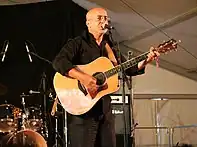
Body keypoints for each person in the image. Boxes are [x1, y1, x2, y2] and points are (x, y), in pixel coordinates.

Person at [52, 7, 160, 147]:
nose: (104, 21)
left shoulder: (111, 47)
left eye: (105, 17)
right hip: (83, 113)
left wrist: (147, 58)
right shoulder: (77, 43)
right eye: (99, 18)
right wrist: (83, 78)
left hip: (105, 111)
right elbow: (59, 62)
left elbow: (129, 69)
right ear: (88, 23)